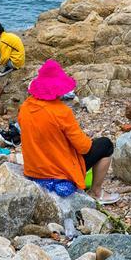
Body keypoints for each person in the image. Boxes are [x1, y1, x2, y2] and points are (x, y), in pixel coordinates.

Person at [18, 59, 118, 204]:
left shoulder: (25, 107)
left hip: (33, 169)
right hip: (58, 171)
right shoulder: (61, 111)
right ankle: (97, 192)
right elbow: (84, 148)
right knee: (106, 145)